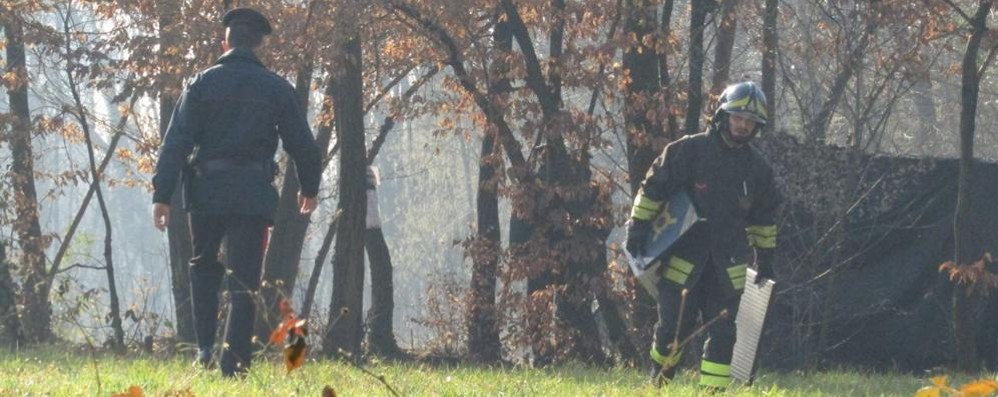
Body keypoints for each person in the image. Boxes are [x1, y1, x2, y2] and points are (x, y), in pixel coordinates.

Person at [151, 7, 322, 377]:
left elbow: (175, 143)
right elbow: (303, 145)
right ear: (259, 44)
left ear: (224, 41)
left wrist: (161, 194)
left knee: (203, 266)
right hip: (252, 195)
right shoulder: (277, 88)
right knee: (244, 280)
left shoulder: (201, 83)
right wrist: (310, 185)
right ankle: (235, 364)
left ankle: (205, 350)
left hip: (206, 192)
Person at [626, 81, 780, 389]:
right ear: (723, 115)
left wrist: (765, 259)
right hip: (683, 261)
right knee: (673, 331)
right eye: (738, 117)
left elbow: (763, 220)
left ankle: (713, 392)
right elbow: (653, 189)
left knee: (723, 334)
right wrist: (638, 228)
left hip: (728, 267)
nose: (743, 125)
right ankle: (658, 385)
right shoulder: (689, 151)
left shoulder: (758, 170)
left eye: (750, 122)